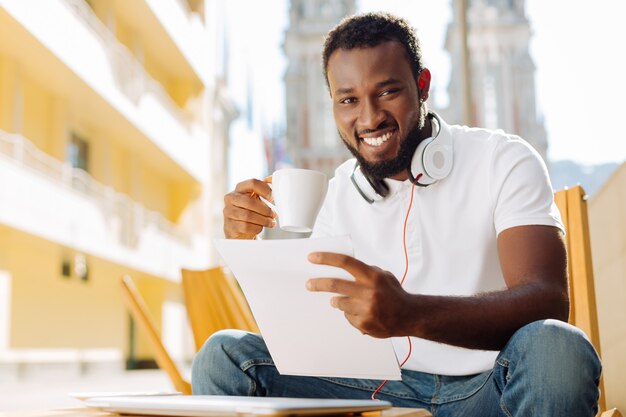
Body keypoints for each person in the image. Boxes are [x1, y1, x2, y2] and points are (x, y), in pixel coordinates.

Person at [192, 12, 601, 417]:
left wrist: (410, 313)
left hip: (488, 388)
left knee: (557, 346)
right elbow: (310, 332)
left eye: (387, 92)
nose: (369, 119)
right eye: (348, 100)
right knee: (224, 354)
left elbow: (546, 300)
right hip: (378, 392)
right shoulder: (337, 192)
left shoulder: (503, 158)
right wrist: (247, 241)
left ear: (422, 86)